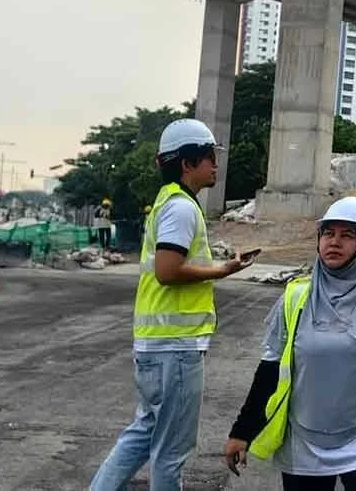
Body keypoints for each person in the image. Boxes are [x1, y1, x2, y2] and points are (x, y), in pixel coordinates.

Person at [222, 196, 356, 491]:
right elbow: (269, 370)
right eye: (328, 233)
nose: (334, 242)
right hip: (303, 441)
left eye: (347, 235)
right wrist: (241, 432)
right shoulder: (296, 297)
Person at [91, 118, 256, 490]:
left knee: (145, 433)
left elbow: (169, 266)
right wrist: (221, 271)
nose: (215, 165)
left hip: (158, 343)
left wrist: (219, 266)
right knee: (171, 452)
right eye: (210, 157)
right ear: (187, 163)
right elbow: (168, 270)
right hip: (175, 347)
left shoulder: (168, 203)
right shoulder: (181, 208)